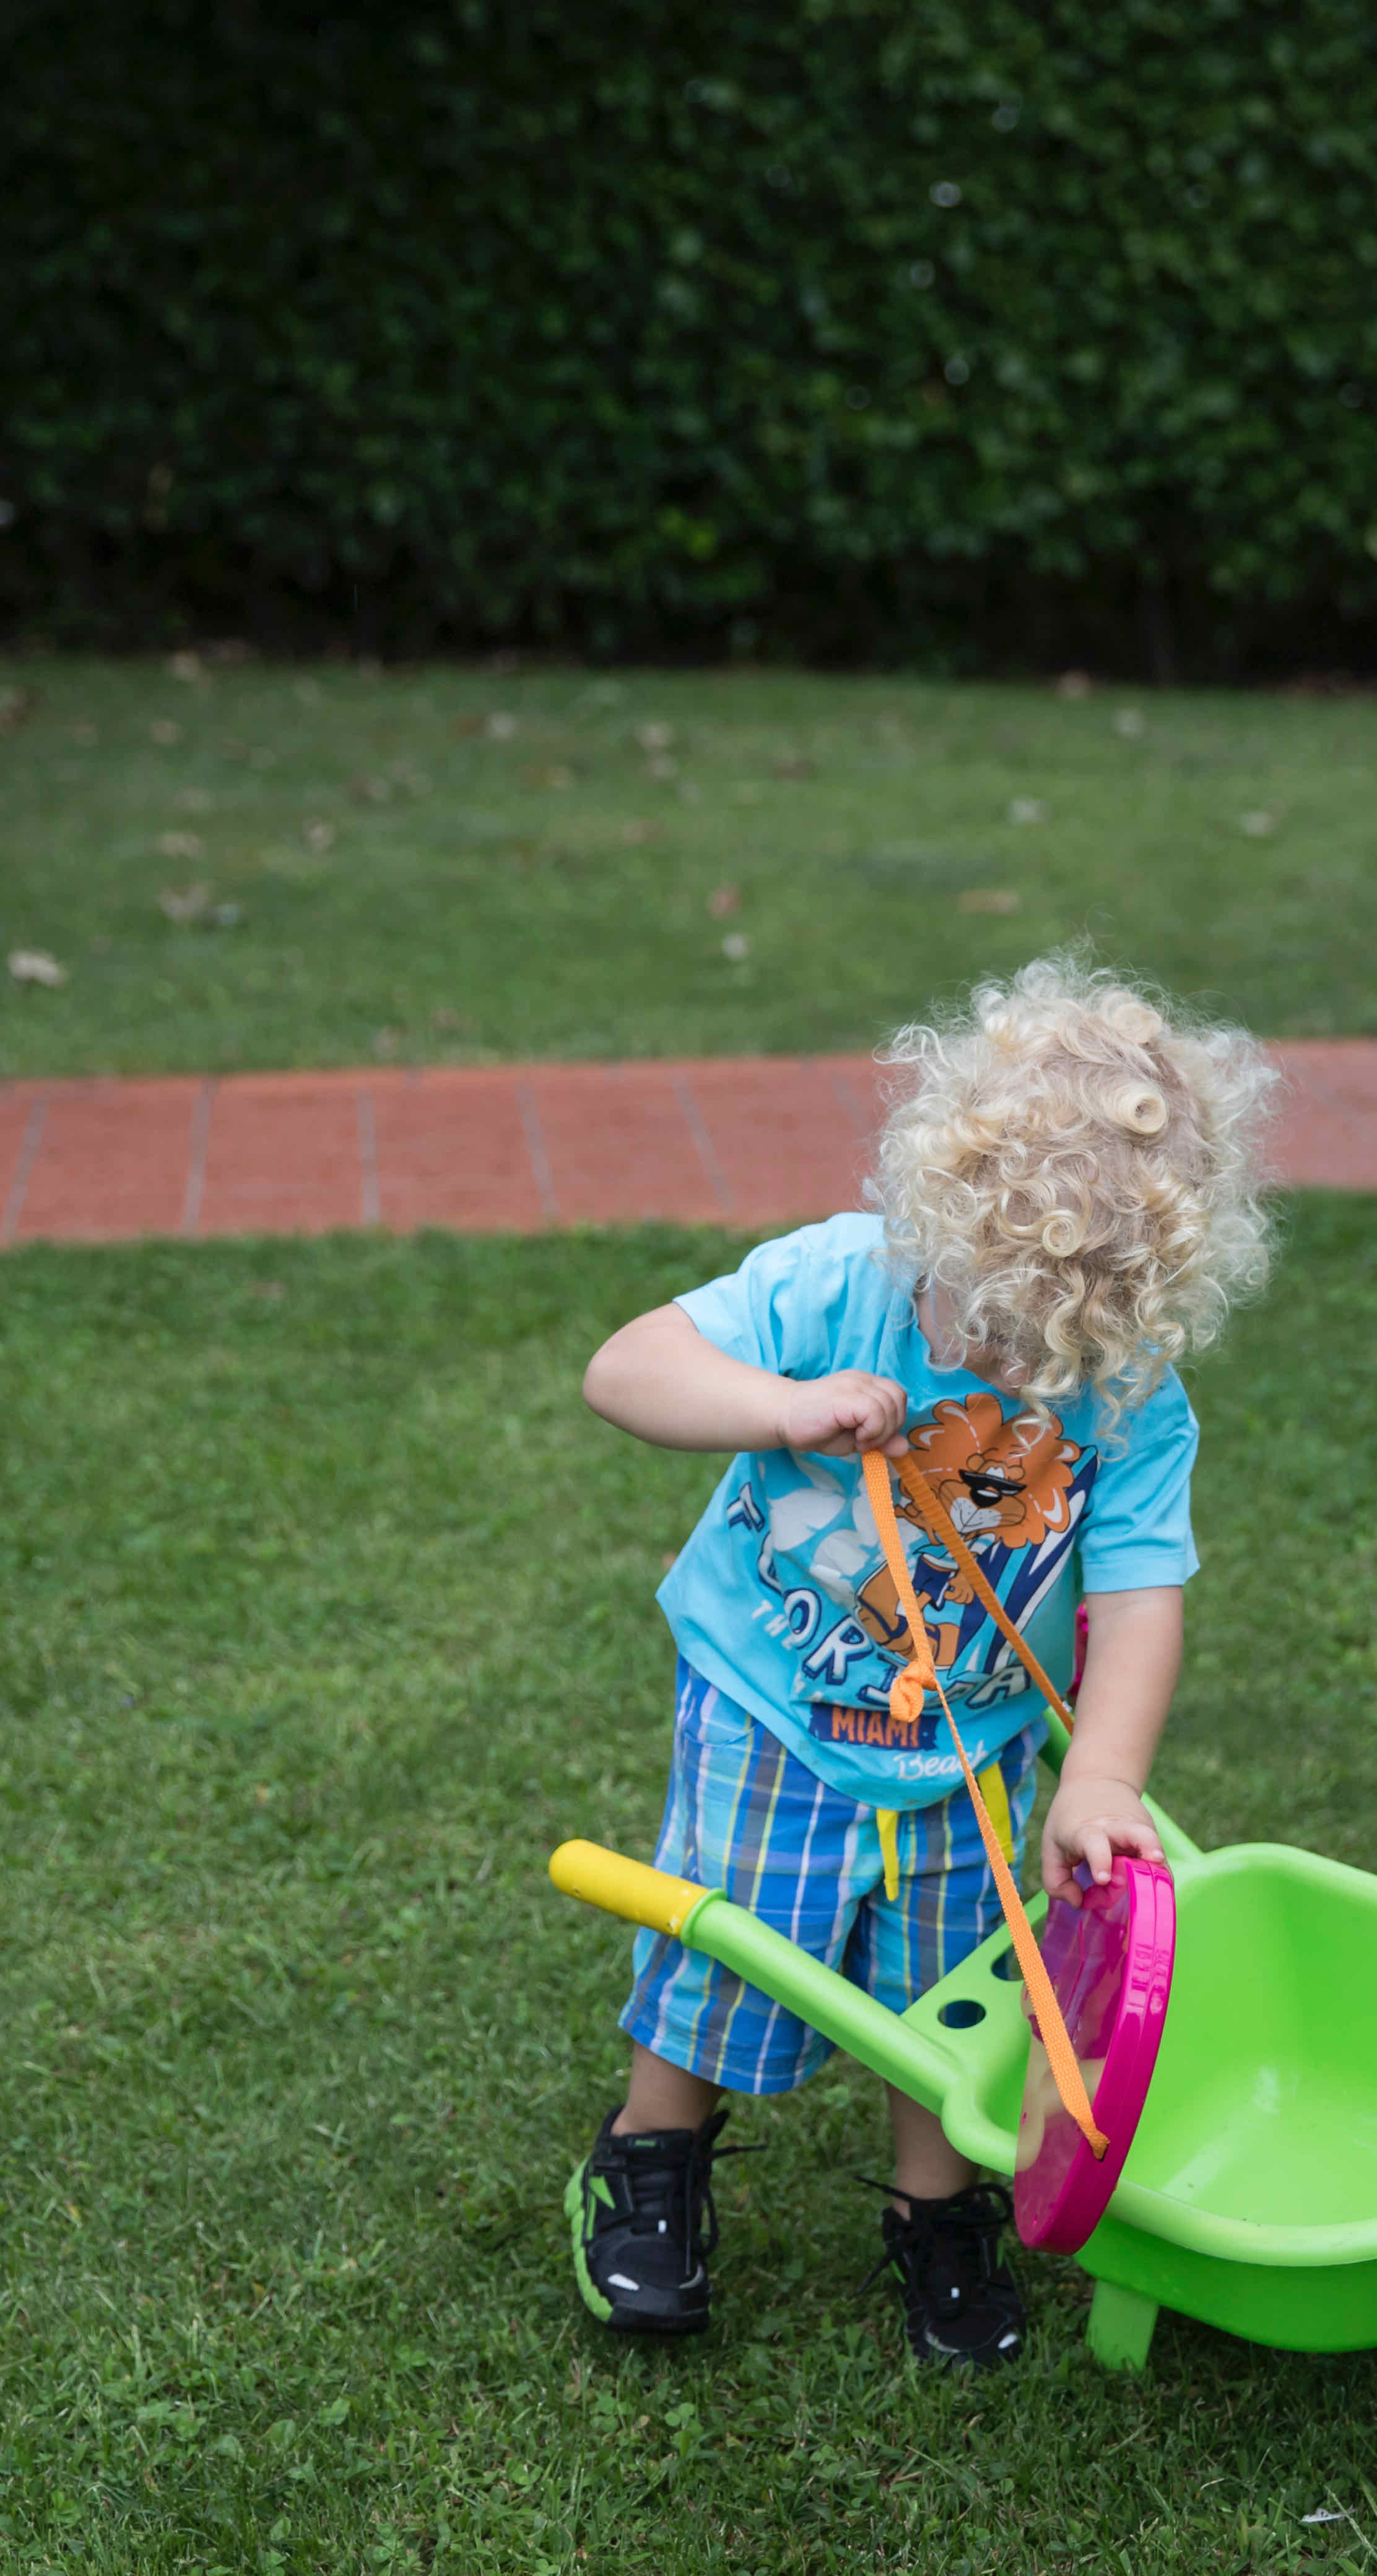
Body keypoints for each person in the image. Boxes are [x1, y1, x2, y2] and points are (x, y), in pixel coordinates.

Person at [566, 957, 1274, 2364]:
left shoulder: (1130, 1397)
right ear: (939, 1213)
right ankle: (650, 2156)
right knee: (730, 1949)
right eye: (989, 1319)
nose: (1007, 1361)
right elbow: (624, 1369)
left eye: (1050, 1342)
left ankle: (935, 2210)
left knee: (957, 1983)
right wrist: (776, 1406)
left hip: (967, 1741)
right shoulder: (840, 1279)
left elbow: (1139, 1596)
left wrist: (1102, 1779)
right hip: (773, 1709)